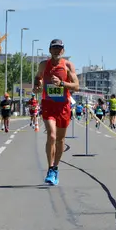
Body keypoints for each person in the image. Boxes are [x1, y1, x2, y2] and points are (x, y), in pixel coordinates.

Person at [33, 38, 80, 186]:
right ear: (50, 50)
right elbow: (38, 77)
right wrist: (37, 86)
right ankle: (50, 168)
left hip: (63, 106)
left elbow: (76, 86)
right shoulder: (43, 64)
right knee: (51, 135)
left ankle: (56, 168)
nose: (57, 50)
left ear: (63, 51)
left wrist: (62, 83)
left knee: (60, 140)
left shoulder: (67, 65)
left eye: (59, 48)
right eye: (54, 48)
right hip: (48, 104)